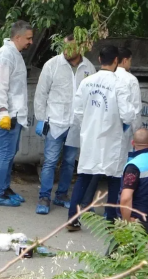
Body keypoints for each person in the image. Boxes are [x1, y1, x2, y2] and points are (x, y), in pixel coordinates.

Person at [67, 45, 135, 231]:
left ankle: (72, 218)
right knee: (114, 178)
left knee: (84, 176)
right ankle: (110, 220)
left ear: (99, 59)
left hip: (90, 137)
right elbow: (128, 115)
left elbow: (78, 111)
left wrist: (89, 124)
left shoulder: (87, 82)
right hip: (112, 139)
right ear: (116, 61)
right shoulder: (119, 84)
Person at [34, 34, 96, 214]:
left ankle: (61, 195)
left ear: (80, 48)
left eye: (71, 48)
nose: (66, 51)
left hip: (76, 124)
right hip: (55, 122)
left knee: (70, 162)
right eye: (65, 47)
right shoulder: (52, 65)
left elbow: (91, 97)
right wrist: (41, 119)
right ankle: (44, 197)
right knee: (50, 161)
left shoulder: (88, 68)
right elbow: (41, 94)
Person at [0, 20, 34, 207]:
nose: (31, 42)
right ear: (17, 37)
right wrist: (3, 112)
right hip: (7, 114)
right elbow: (1, 87)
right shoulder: (5, 56)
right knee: (6, 154)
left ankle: (4, 189)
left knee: (10, 153)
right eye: (28, 38)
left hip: (15, 113)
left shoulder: (14, 54)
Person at [115, 47, 143, 156]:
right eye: (130, 61)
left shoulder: (107, 76)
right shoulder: (131, 79)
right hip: (125, 128)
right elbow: (136, 108)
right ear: (125, 60)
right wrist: (137, 131)